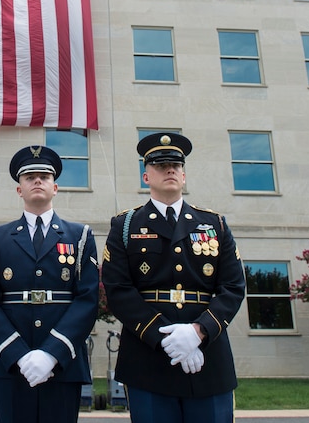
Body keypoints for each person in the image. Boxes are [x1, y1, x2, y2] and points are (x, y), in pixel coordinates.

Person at [100, 132, 246, 423]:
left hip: (208, 357)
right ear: (146, 176)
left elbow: (233, 287)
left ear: (184, 175)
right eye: (159, 163)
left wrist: (198, 332)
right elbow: (118, 290)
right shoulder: (125, 225)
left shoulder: (213, 224)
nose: (169, 169)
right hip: (148, 358)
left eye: (176, 165)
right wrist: (164, 338)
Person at [0, 145, 99, 423]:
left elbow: (87, 299)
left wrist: (51, 354)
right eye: (30, 177)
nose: (38, 181)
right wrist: (18, 354)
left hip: (63, 362)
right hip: (11, 363)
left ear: (55, 187)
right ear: (20, 189)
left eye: (44, 176)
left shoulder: (80, 236)